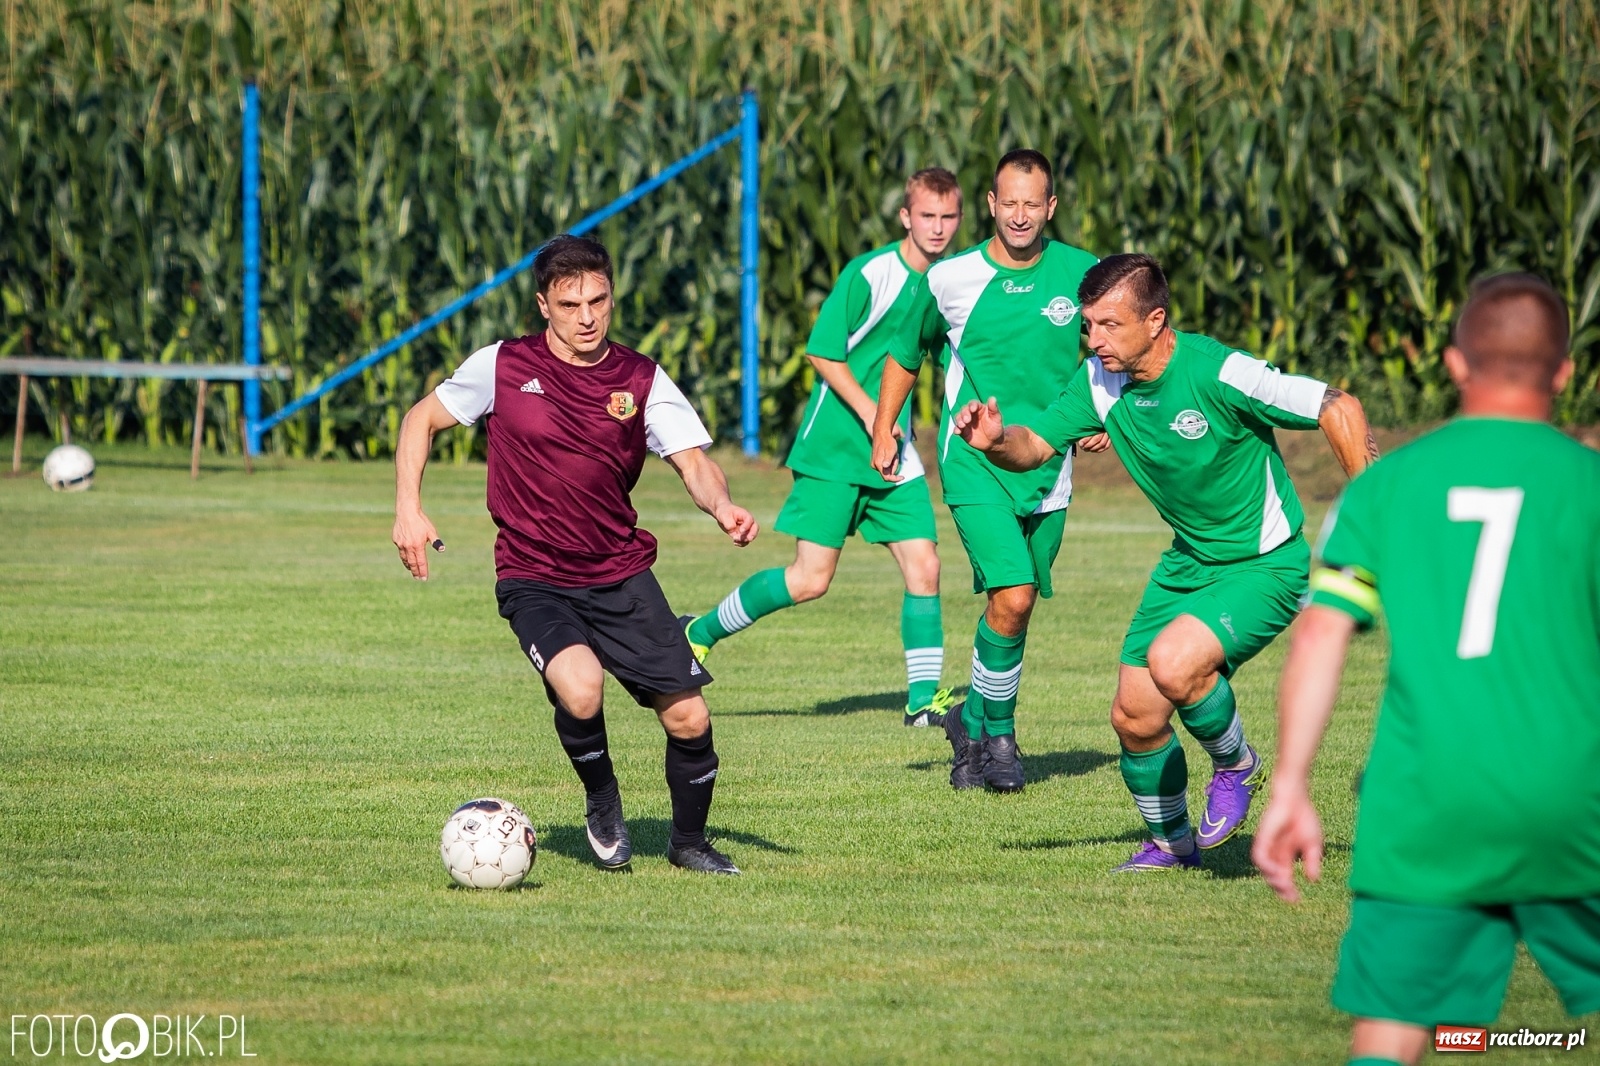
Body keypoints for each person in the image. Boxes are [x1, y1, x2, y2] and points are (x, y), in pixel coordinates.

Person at [1253, 273, 1600, 1066]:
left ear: (1453, 364)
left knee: (1393, 1029)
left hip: (1424, 801)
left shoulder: (1385, 489)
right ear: (1564, 373)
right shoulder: (1589, 487)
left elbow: (1318, 637)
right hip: (1573, 796)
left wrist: (1291, 786)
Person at [952, 253, 1376, 870]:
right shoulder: (1099, 381)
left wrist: (1374, 532)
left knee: (1174, 665)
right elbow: (1035, 446)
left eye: (1108, 325)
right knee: (1134, 715)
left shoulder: (1220, 371)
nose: (1093, 340)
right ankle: (1174, 844)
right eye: (1088, 326)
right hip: (1186, 564)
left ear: (1155, 321)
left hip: (1265, 565)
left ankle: (1236, 764)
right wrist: (995, 441)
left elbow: (1339, 407)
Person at [392, 234, 758, 876]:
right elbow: (419, 420)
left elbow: (693, 463)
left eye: (599, 300)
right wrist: (408, 508)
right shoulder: (501, 367)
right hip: (535, 576)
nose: (587, 316)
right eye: (570, 304)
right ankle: (603, 801)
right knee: (582, 688)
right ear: (544, 306)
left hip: (619, 572)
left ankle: (689, 843)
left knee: (690, 717)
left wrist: (722, 506)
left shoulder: (640, 379)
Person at [682, 168, 963, 728]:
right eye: (926, 216)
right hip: (836, 446)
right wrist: (874, 416)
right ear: (906, 216)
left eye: (948, 217)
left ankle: (921, 703)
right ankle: (700, 631)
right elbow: (822, 353)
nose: (937, 228)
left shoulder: (953, 280)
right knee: (811, 580)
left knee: (925, 565)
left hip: (894, 452)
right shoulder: (871, 273)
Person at [871, 149, 1102, 791]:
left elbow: (1114, 349)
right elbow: (905, 352)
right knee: (1014, 593)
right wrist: (886, 427)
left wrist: (1101, 417)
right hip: (972, 461)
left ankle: (970, 721)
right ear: (993, 205)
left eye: (1035, 203)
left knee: (1015, 609)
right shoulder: (950, 278)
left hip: (1048, 466)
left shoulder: (1083, 274)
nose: (1022, 215)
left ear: (1050, 207)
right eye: (1011, 202)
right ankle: (999, 739)